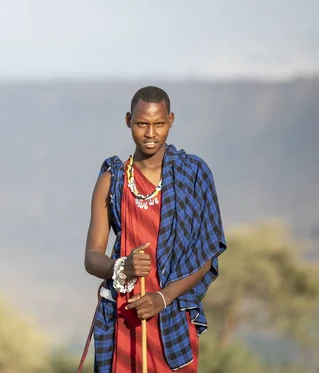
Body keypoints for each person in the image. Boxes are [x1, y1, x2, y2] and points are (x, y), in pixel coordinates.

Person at [82, 86, 227, 373]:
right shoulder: (112, 181)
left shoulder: (195, 174)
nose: (150, 133)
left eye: (159, 124)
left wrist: (164, 297)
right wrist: (122, 267)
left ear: (170, 121)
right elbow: (91, 258)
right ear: (128, 121)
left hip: (171, 313)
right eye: (141, 124)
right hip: (124, 311)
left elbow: (207, 251)